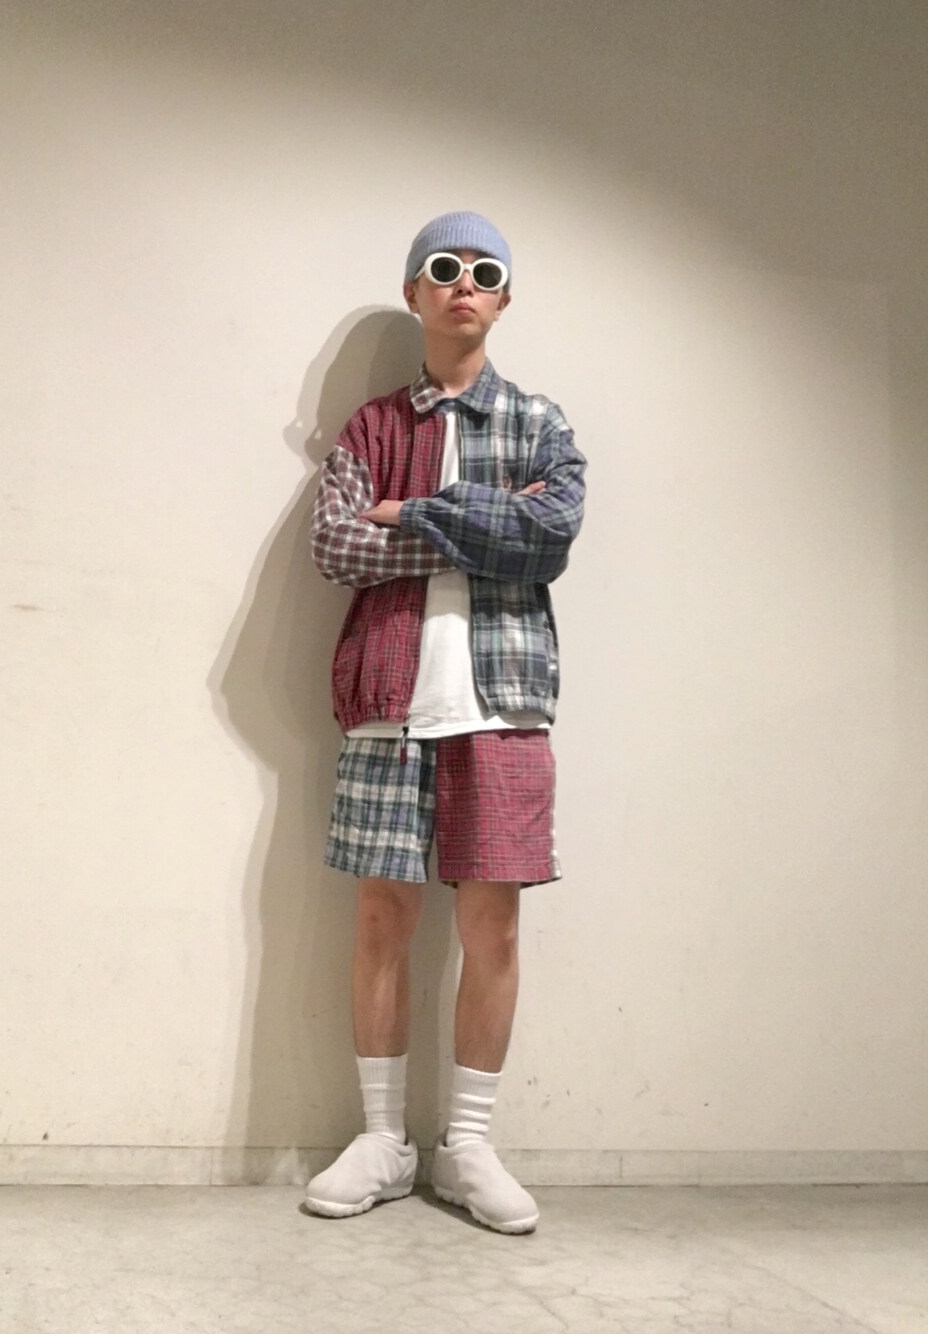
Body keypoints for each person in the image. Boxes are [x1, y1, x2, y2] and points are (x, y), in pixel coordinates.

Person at [305, 211, 586, 1233]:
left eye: (484, 271)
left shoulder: (541, 423)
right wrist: (483, 523)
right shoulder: (373, 428)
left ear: (503, 299)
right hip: (388, 701)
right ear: (415, 292)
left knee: (492, 924)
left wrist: (410, 511)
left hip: (503, 705)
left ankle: (468, 1143)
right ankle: (384, 1138)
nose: (463, 283)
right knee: (382, 916)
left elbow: (551, 536)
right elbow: (336, 547)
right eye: (443, 267)